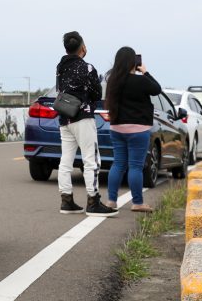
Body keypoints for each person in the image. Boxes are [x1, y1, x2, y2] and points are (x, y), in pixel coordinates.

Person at [55, 31, 118, 217]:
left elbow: (61, 89)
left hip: (65, 117)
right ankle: (93, 201)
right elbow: (97, 94)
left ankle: (66, 201)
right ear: (82, 47)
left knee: (65, 160)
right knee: (91, 159)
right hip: (83, 117)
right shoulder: (88, 68)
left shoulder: (60, 67)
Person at [105, 47, 161, 213]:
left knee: (118, 164)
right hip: (138, 129)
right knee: (135, 166)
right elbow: (156, 89)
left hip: (117, 127)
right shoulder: (140, 81)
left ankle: (111, 201)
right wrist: (145, 72)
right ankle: (137, 203)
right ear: (133, 62)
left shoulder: (112, 81)